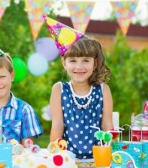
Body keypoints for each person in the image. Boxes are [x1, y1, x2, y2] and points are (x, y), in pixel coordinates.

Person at [44, 16, 113, 160]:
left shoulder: (103, 90)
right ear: (64, 63)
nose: (79, 67)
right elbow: (57, 125)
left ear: (94, 63)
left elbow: (107, 124)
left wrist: (110, 155)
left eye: (86, 61)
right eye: (73, 61)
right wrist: (54, 158)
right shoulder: (59, 89)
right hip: (67, 159)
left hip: (97, 159)